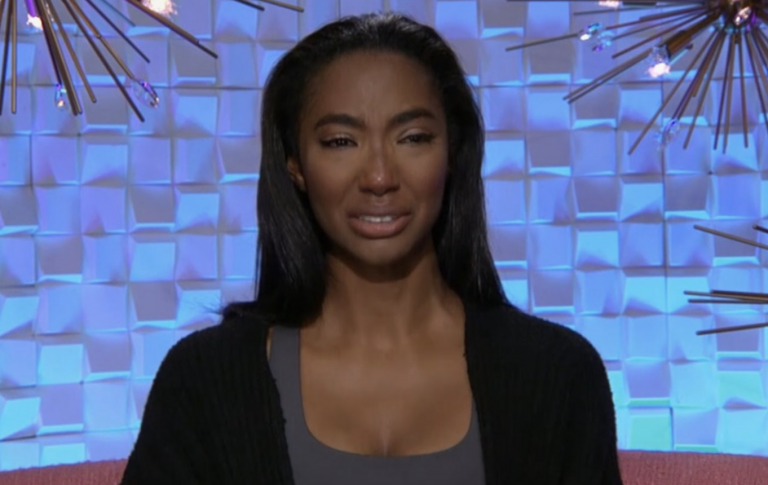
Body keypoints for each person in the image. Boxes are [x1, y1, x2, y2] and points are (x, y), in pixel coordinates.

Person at [121, 11, 623, 485]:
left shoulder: (558, 375)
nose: (379, 177)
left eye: (413, 138)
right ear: (295, 164)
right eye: (341, 142)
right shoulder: (204, 382)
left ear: (452, 151)